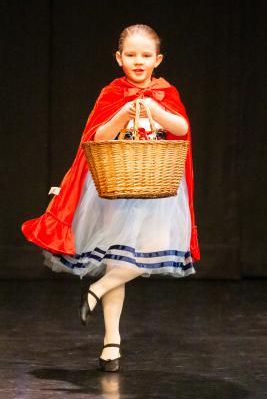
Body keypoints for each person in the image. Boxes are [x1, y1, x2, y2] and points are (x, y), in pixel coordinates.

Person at [21, 24, 200, 372]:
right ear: (119, 58)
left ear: (158, 59)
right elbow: (97, 136)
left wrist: (150, 108)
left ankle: (97, 289)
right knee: (118, 259)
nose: (138, 61)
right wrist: (124, 112)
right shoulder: (112, 93)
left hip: (155, 185)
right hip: (116, 183)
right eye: (131, 55)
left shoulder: (166, 92)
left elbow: (181, 129)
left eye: (146, 56)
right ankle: (111, 344)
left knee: (147, 251)